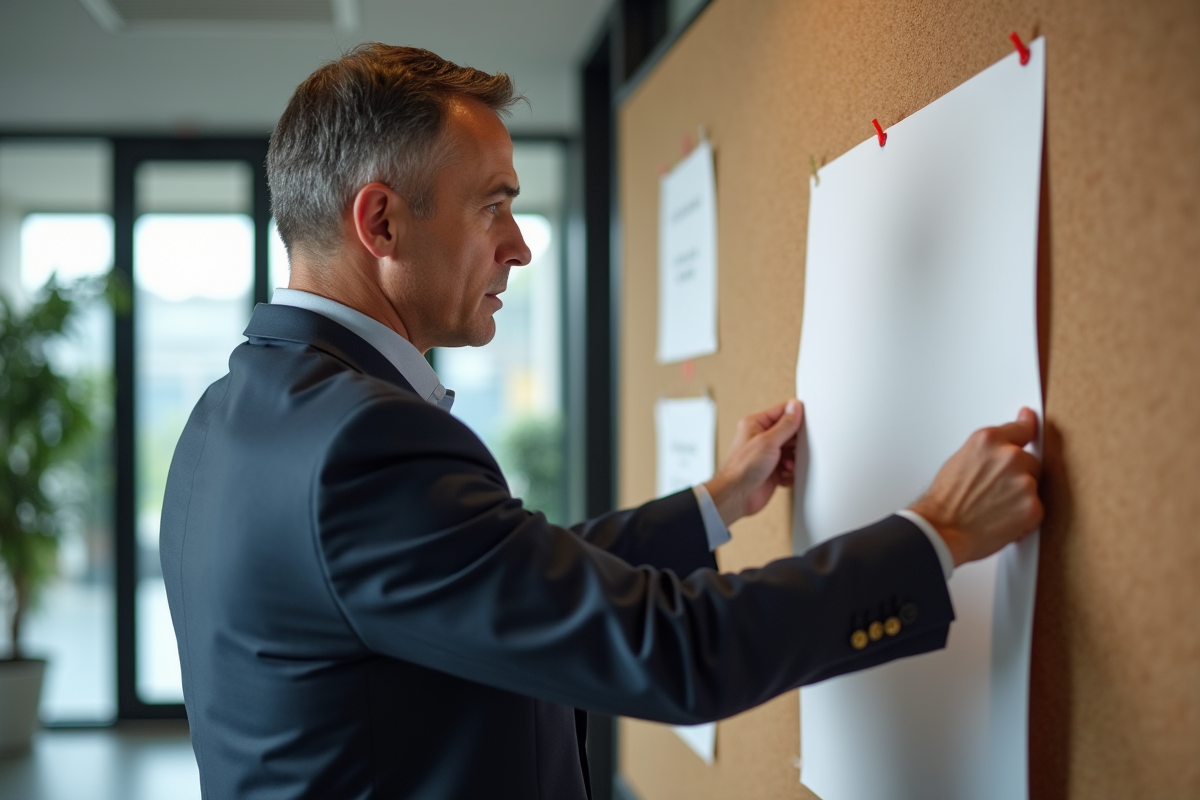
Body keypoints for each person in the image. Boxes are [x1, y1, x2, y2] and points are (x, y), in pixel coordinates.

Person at [160, 44, 1043, 800]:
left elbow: (485, 576)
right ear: (382, 221)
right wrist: (937, 535)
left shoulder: (228, 420)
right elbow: (676, 651)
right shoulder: (361, 443)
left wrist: (714, 504)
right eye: (494, 205)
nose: (520, 245)